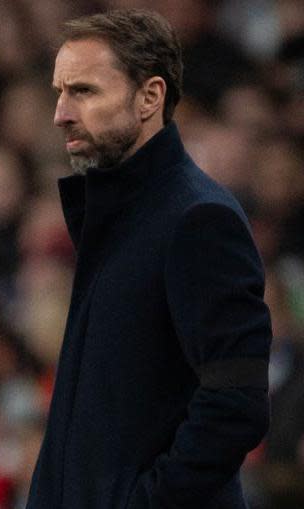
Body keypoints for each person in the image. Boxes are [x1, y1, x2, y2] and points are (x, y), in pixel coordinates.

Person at [28, 9, 271, 509]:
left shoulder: (198, 219)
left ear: (150, 97)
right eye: (59, 91)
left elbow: (236, 404)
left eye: (84, 91)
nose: (61, 112)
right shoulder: (114, 218)